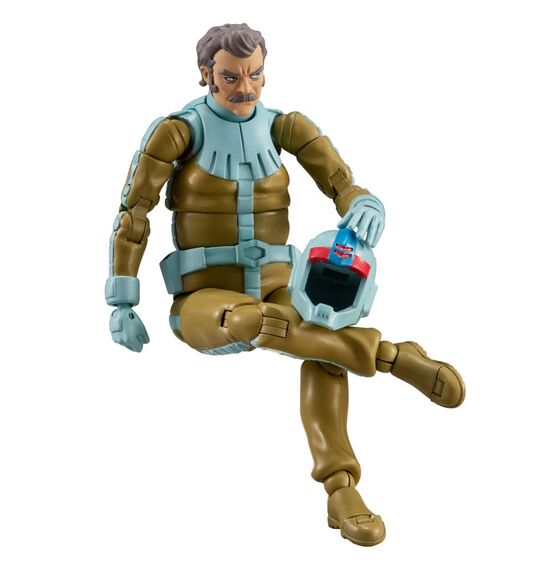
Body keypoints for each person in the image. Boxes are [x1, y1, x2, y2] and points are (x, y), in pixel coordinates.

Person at [105, 23, 465, 547]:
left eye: (255, 75)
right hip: (204, 300)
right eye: (232, 77)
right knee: (261, 321)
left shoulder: (285, 127)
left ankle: (341, 491)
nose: (246, 88)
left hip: (281, 285)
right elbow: (133, 213)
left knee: (319, 342)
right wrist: (122, 299)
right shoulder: (177, 133)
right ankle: (386, 356)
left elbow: (341, 181)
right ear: (206, 73)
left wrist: (363, 203)